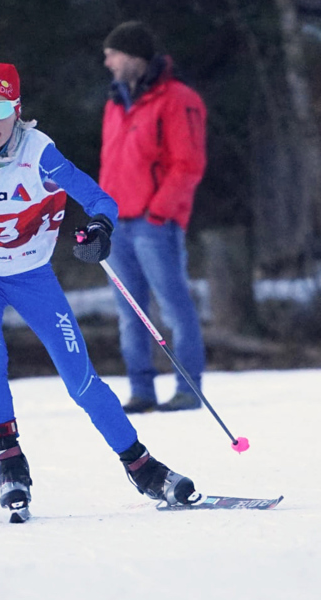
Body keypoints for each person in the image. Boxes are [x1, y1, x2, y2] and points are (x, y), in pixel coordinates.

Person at [0, 61, 197, 518]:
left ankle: (143, 468)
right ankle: (9, 462)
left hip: (31, 275)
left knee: (81, 380)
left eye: (1, 108)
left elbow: (100, 200)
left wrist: (98, 230)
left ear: (17, 110)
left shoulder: (39, 153)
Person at [100, 21, 208, 414]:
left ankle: (187, 388)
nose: (108, 62)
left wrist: (159, 212)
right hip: (116, 224)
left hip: (153, 223)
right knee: (130, 314)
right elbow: (109, 164)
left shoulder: (179, 99)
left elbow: (189, 163)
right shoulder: (115, 102)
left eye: (113, 53)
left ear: (133, 56)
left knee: (174, 306)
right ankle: (141, 390)